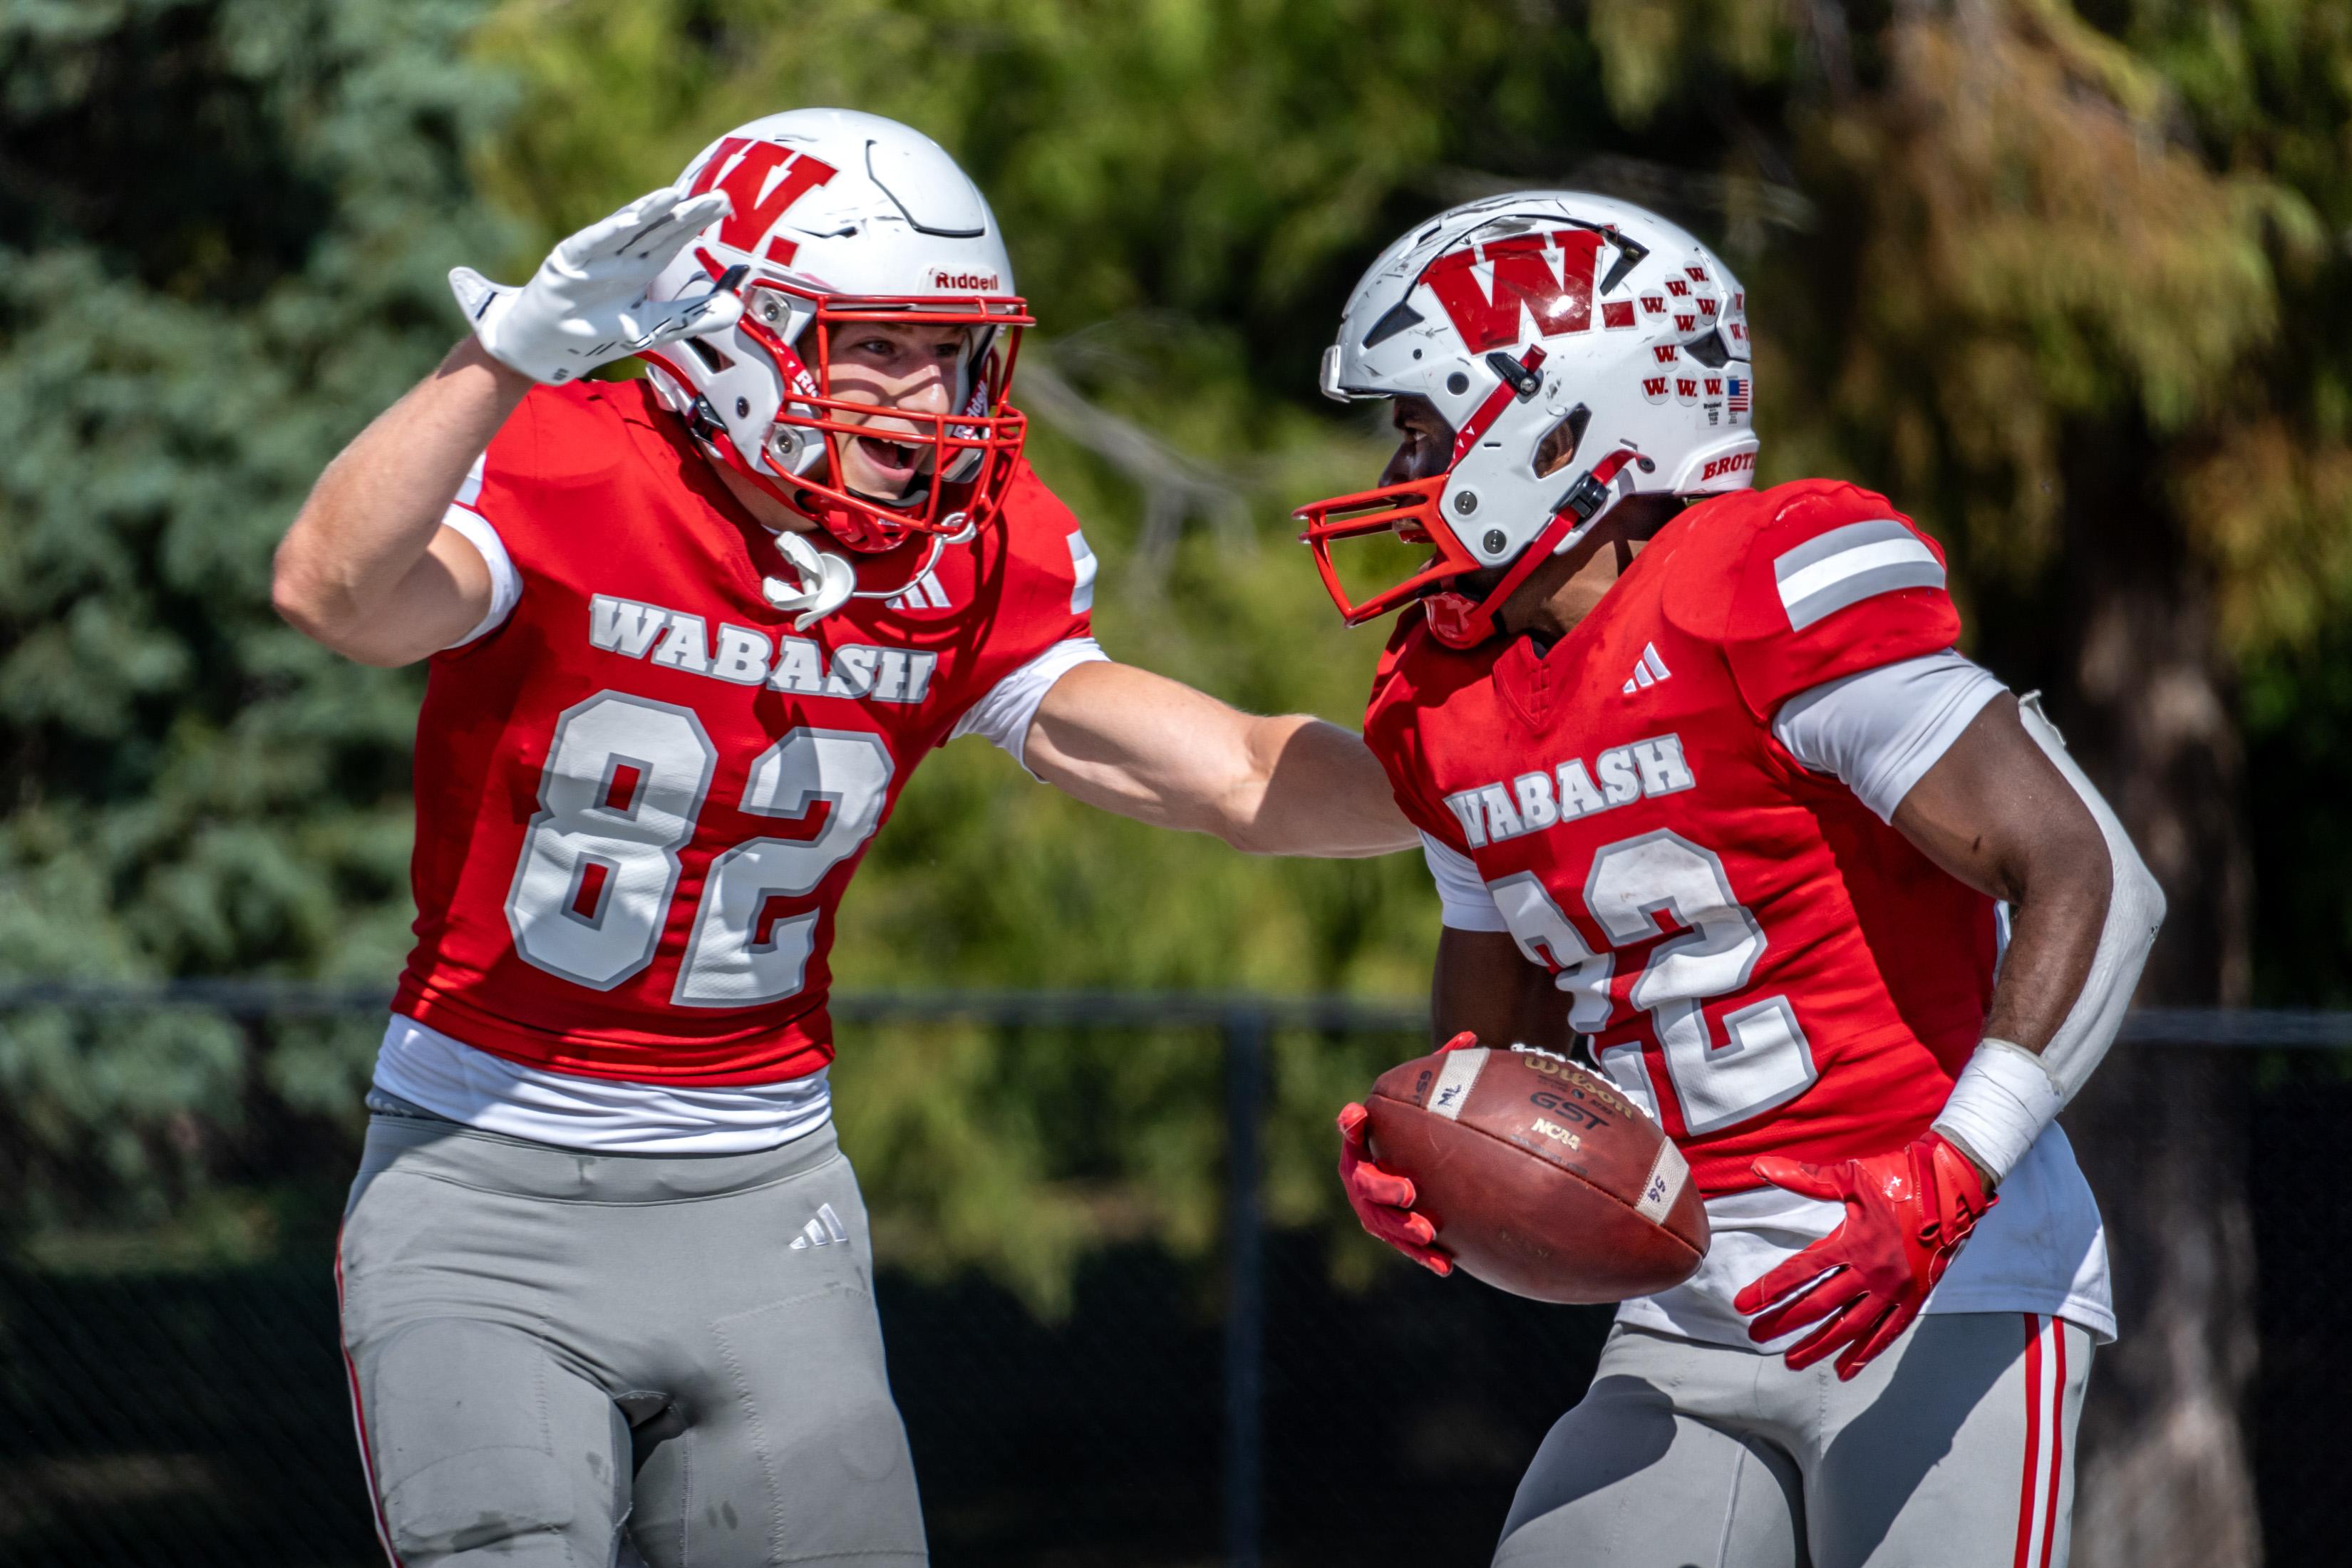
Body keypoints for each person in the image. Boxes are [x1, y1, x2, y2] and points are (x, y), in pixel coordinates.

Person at [273, 108, 1413, 1568]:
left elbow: (1244, 778)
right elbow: (334, 594)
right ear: (728, 335)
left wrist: (1510, 774)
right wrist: (500, 357)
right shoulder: (575, 462)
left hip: (765, 1196)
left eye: (952, 352)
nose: (927, 395)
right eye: (874, 345)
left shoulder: (968, 553)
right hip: (481, 1176)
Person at [1306, 192, 2165, 1567]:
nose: (1401, 478)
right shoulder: (1442, 702)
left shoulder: (1761, 586)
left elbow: (2093, 872)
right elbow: (1495, 1044)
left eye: (1424, 428)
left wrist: (1951, 1174)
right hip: (1686, 1295)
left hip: (1942, 1272)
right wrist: (1428, 1156)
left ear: (1560, 428)